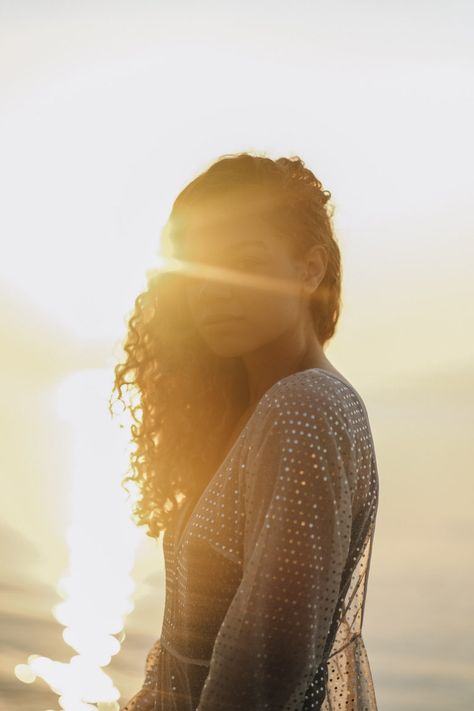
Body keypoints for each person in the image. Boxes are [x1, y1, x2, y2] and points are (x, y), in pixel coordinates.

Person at [111, 152, 380, 710]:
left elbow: (262, 669)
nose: (216, 288)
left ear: (311, 269)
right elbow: (183, 658)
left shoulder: (305, 407)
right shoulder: (250, 411)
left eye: (247, 262)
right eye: (199, 266)